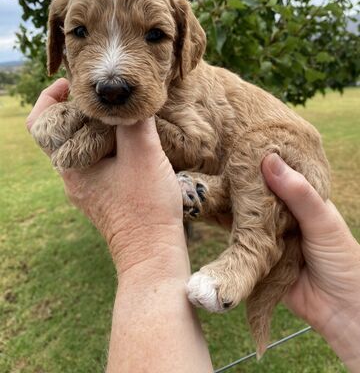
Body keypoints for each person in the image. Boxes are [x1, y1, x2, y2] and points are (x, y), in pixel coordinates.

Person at [26, 79, 360, 373]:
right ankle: (210, 193)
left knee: (251, 154)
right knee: (235, 169)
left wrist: (102, 134)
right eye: (82, 33)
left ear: (184, 45)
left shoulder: (185, 90)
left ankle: (247, 254)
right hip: (233, 179)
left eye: (154, 36)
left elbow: (194, 143)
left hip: (287, 149)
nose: (112, 69)